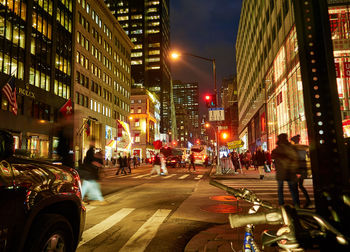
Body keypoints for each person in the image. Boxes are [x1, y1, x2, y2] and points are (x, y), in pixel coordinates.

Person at [271, 133, 300, 207]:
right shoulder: (289, 147)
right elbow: (295, 158)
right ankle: (296, 204)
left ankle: (281, 204)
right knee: (293, 189)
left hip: (282, 171)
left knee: (281, 188)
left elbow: (273, 155)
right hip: (290, 170)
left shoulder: (278, 149)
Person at [80, 138, 107, 205]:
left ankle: (82, 199)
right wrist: (98, 164)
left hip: (88, 171)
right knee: (91, 185)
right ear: (91, 142)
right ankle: (100, 199)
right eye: (93, 142)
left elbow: (90, 160)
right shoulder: (90, 151)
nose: (94, 143)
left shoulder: (91, 150)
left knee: (87, 186)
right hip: (88, 171)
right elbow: (91, 161)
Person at [291, 135, 311, 208]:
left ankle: (297, 203)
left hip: (298, 169)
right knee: (300, 186)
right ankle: (307, 200)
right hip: (303, 168)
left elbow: (296, 160)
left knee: (295, 186)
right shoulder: (304, 148)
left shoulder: (295, 148)